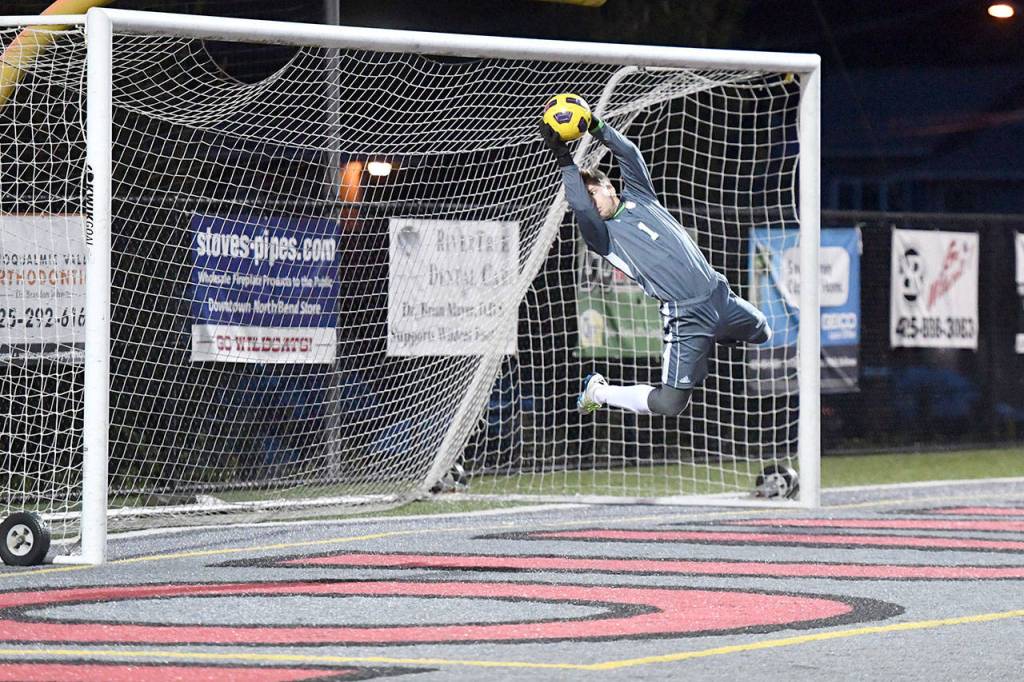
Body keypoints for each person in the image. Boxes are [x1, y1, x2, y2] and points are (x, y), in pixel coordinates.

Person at [540, 116, 772, 417]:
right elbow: (582, 208)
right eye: (584, 198)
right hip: (686, 314)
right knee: (670, 404)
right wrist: (563, 157)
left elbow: (629, 153)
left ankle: (718, 331)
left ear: (608, 187)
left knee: (764, 332)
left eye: (593, 192)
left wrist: (596, 125)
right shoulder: (603, 236)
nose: (589, 202)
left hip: (719, 294)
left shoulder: (641, 196)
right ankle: (597, 390)